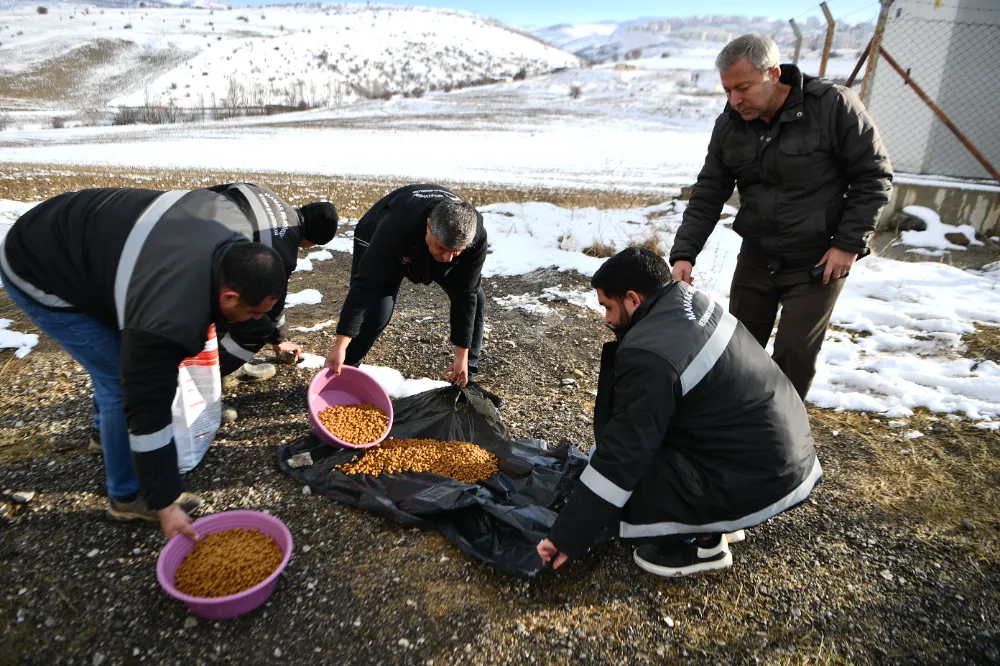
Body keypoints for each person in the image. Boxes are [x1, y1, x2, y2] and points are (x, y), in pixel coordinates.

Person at [0, 187, 287, 540]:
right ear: (229, 295)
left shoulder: (238, 241)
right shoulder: (166, 315)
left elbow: (242, 313)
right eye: (253, 311)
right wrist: (165, 501)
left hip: (89, 238)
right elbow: (147, 405)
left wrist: (272, 333)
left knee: (123, 358)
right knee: (120, 384)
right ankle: (127, 496)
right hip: (39, 263)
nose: (254, 319)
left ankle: (106, 437)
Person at [536, 247, 821, 577]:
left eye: (608, 307)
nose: (607, 320)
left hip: (762, 475)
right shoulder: (689, 300)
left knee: (621, 476)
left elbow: (622, 456)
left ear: (632, 298)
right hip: (783, 455)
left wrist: (567, 536)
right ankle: (725, 515)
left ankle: (705, 544)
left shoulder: (651, 354)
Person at [668, 33, 893, 400]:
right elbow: (709, 190)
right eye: (727, 90)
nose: (734, 100)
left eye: (742, 87)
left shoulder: (833, 106)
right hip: (758, 257)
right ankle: (732, 430)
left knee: (793, 356)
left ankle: (779, 440)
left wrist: (847, 245)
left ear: (773, 73)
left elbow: (874, 176)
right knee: (737, 349)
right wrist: (684, 252)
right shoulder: (730, 124)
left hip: (817, 262)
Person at [324, 184, 501, 407]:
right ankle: (344, 371)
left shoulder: (474, 236)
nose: (448, 258)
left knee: (478, 299)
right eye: (443, 247)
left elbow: (466, 295)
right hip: (382, 234)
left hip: (426, 241)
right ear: (428, 227)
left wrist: (461, 356)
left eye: (457, 251)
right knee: (378, 310)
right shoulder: (397, 224)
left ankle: (465, 381)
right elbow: (365, 285)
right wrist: (341, 343)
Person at [205, 184, 339, 397]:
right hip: (200, 265)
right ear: (311, 242)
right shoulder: (283, 252)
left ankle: (217, 361)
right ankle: (208, 382)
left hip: (181, 232)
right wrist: (278, 340)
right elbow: (271, 304)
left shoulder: (264, 192)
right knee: (256, 322)